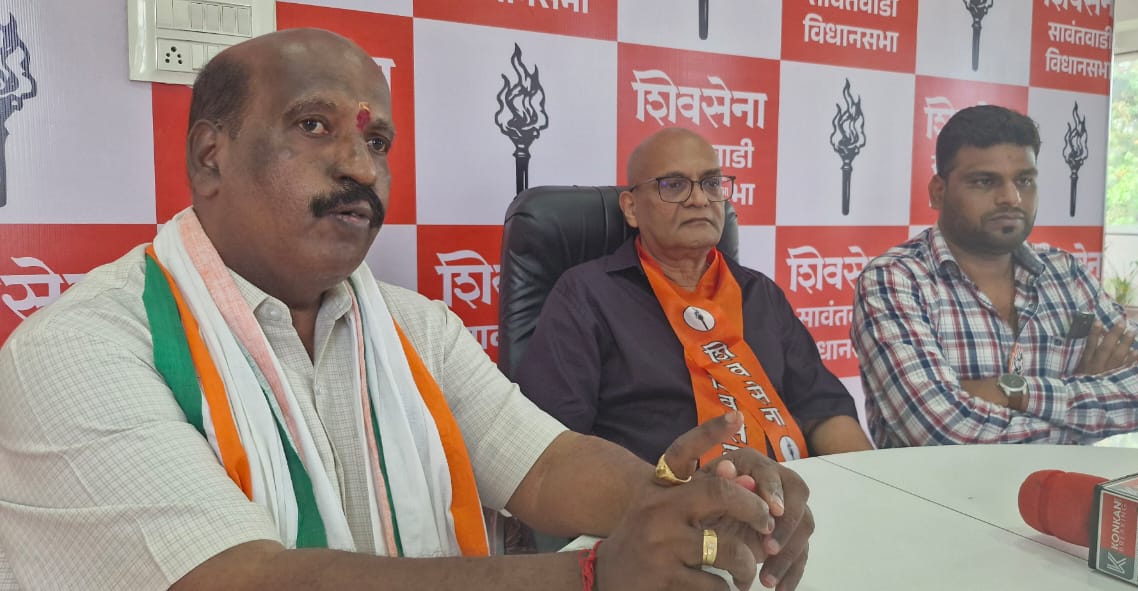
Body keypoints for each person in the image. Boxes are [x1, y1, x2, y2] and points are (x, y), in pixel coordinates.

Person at [0, 29, 815, 591]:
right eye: (314, 126)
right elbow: (236, 577)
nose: (360, 167)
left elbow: (544, 464)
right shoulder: (79, 349)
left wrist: (703, 500)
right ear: (210, 157)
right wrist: (592, 575)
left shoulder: (414, 326)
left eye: (377, 142)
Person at [515, 127, 873, 468]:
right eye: (674, 185)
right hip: (663, 500)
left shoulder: (759, 293)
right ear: (631, 208)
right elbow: (555, 447)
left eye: (712, 183)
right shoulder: (587, 296)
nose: (700, 199)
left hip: (790, 495)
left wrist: (875, 487)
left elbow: (823, 410)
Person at [851, 105, 1138, 448]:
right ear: (938, 192)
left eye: (1024, 180)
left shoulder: (1064, 272)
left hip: (1061, 480)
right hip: (938, 483)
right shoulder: (896, 280)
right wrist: (1084, 407)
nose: (1011, 198)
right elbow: (944, 431)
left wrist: (1017, 392)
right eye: (984, 182)